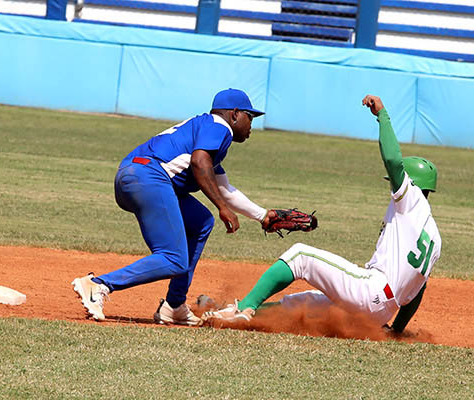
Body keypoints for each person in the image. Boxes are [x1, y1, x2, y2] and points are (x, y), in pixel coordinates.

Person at [202, 95, 441, 334]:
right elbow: (418, 290)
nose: (393, 185)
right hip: (382, 311)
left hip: (371, 291)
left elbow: (392, 160)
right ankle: (233, 313)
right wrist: (396, 330)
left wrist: (382, 115)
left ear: (413, 183)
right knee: (302, 304)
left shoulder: (410, 198)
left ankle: (244, 308)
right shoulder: (433, 236)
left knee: (300, 255)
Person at [72, 88, 281, 325]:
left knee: (202, 222)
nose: (251, 125)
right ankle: (99, 285)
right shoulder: (219, 126)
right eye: (249, 117)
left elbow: (223, 187)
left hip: (135, 174)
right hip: (149, 177)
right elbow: (200, 163)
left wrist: (262, 216)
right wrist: (222, 208)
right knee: (173, 258)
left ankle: (174, 305)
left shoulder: (204, 133)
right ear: (234, 114)